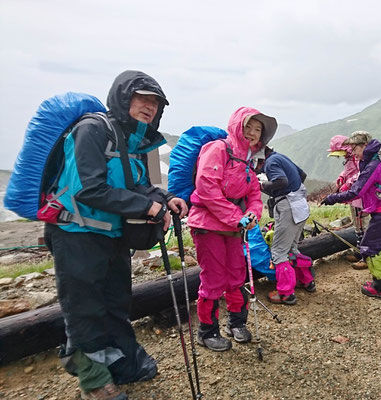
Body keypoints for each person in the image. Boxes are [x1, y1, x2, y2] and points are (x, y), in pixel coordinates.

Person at [44, 70, 188, 400]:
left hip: (112, 235)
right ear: (123, 99)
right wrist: (147, 208)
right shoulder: (93, 130)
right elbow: (89, 189)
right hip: (75, 233)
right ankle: (94, 380)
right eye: (142, 99)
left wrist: (166, 199)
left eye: (155, 103)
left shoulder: (132, 141)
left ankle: (122, 364)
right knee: (84, 309)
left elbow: (137, 184)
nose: (149, 107)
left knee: (115, 304)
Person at [187, 107, 275, 351]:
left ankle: (237, 323)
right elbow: (206, 189)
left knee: (237, 275)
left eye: (258, 130)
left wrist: (252, 215)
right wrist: (237, 217)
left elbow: (255, 196)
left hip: (234, 228)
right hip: (208, 226)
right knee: (214, 277)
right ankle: (207, 331)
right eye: (248, 127)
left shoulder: (249, 162)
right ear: (237, 126)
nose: (252, 133)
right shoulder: (218, 149)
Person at [321, 131, 381, 299]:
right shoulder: (373, 160)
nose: (354, 152)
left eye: (355, 148)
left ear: (363, 146)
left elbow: (357, 191)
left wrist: (333, 198)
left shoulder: (373, 164)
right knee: (371, 246)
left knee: (370, 248)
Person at [259, 146, 314, 305]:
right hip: (300, 205)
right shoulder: (280, 156)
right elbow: (302, 175)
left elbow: (281, 181)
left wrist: (262, 186)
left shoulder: (270, 162)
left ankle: (285, 293)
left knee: (278, 252)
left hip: (288, 207)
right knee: (292, 248)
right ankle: (307, 281)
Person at [327, 135, 367, 269]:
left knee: (362, 226)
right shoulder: (350, 158)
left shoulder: (359, 158)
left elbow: (360, 174)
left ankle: (366, 257)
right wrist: (341, 177)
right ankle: (360, 252)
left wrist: (347, 184)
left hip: (359, 197)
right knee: (357, 225)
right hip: (353, 197)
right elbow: (349, 170)